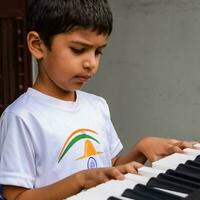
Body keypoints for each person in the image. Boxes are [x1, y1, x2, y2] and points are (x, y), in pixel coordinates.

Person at [0, 0, 196, 199]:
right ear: (37, 45)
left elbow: (107, 172)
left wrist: (141, 148)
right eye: (78, 49)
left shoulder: (96, 105)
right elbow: (16, 196)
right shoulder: (21, 118)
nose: (91, 63)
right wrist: (80, 180)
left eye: (98, 51)